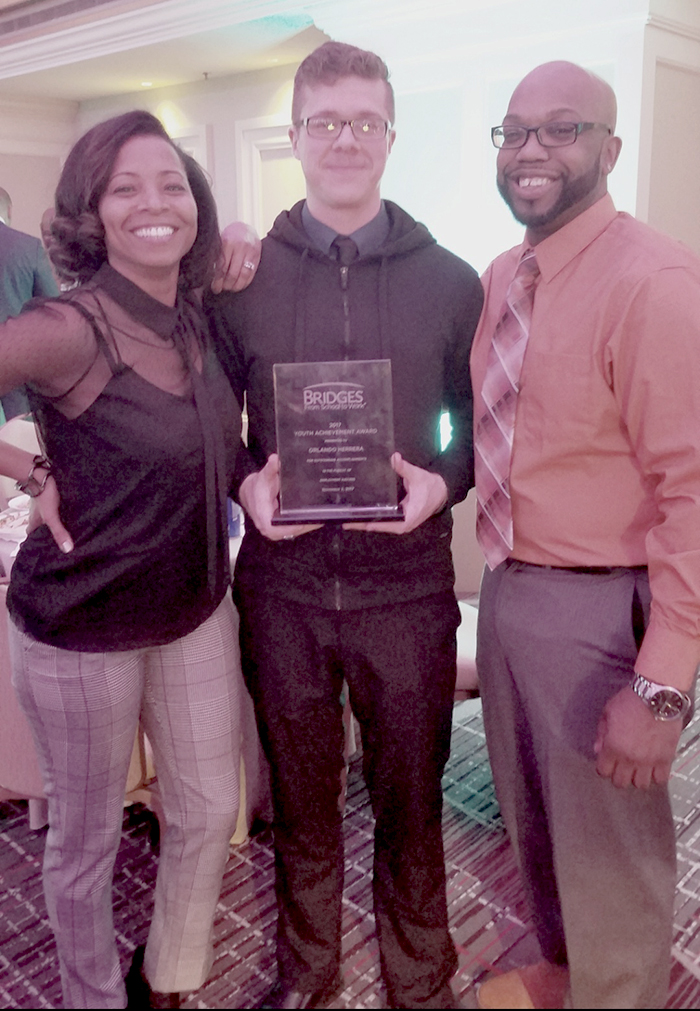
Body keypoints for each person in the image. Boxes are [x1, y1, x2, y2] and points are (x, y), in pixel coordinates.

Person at [208, 40, 483, 1011]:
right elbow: (212, 427)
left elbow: (474, 432)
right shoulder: (236, 278)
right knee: (302, 808)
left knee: (412, 806)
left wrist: (440, 488)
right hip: (281, 592)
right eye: (325, 121)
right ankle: (307, 977)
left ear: (390, 134)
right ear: (294, 135)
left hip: (406, 589)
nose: (345, 139)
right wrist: (245, 486)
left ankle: (421, 980)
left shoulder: (452, 281)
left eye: (364, 120)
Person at [2, 110, 244, 1009]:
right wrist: (31, 466)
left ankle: (169, 978)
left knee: (209, 808)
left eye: (172, 183)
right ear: (92, 212)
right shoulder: (68, 326)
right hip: (82, 629)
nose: (155, 203)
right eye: (126, 188)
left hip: (193, 609)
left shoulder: (195, 315)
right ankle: (92, 996)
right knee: (86, 840)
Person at [471, 61, 700, 1010]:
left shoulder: (654, 282)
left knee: (610, 838)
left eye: (562, 130)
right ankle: (573, 974)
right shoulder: (501, 275)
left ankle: (625, 991)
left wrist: (662, 686)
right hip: (510, 588)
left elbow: (694, 492)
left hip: (604, 609)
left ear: (609, 149)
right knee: (537, 821)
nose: (533, 150)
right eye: (515, 131)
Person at [0, 187, 58, 417]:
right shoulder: (29, 248)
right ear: (9, 210)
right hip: (18, 367)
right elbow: (54, 309)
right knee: (19, 440)